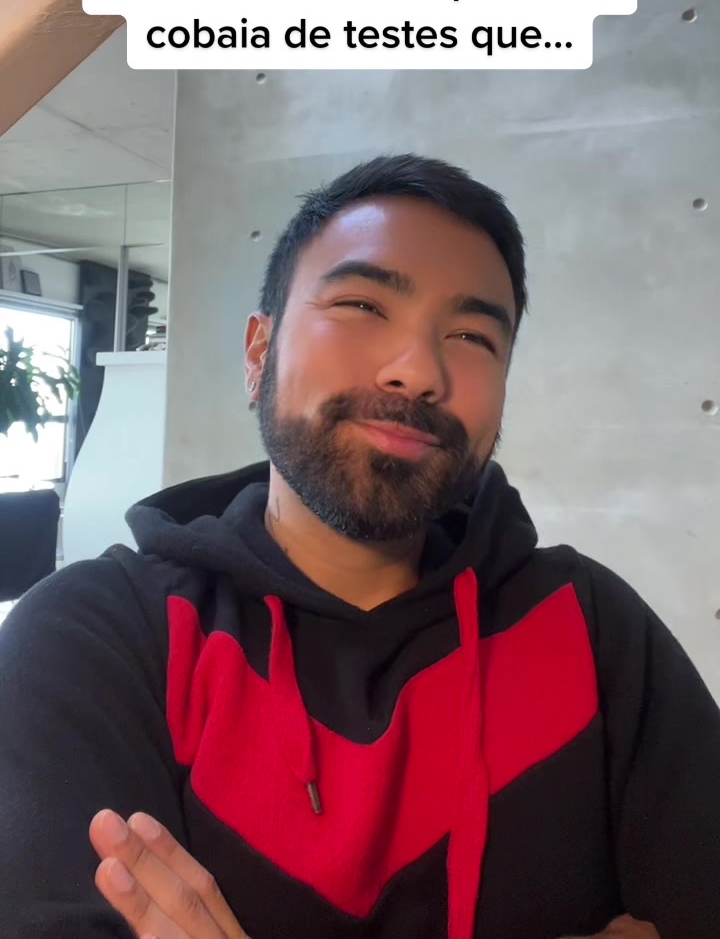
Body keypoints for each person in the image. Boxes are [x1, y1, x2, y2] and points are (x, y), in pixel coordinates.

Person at [0, 153, 718, 939]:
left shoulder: (591, 631)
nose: (418, 371)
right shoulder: (96, 637)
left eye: (473, 335)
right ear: (259, 353)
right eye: (362, 306)